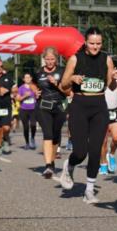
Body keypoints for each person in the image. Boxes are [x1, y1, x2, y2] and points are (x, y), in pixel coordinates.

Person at [59, 28, 117, 204]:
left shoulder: (106, 59)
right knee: (80, 151)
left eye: (98, 43)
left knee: (95, 150)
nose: (95, 47)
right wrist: (73, 79)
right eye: (92, 43)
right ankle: (69, 165)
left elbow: (112, 87)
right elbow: (63, 85)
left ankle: (89, 190)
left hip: (99, 107)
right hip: (79, 105)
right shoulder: (76, 59)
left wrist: (115, 78)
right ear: (85, 42)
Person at [36, 47, 70, 178]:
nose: (50, 62)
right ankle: (48, 166)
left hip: (60, 106)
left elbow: (67, 91)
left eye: (52, 59)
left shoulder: (63, 71)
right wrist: (35, 91)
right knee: (48, 134)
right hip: (43, 106)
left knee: (56, 135)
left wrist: (56, 83)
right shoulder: (38, 72)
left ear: (56, 59)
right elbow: (33, 84)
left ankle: (52, 159)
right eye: (47, 59)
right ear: (44, 59)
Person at [99, 75, 117, 176]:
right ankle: (103, 164)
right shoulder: (99, 79)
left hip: (114, 113)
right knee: (103, 142)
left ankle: (111, 154)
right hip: (101, 113)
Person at [0, 60, 15, 155]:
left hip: (6, 106)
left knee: (6, 128)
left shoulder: (8, 77)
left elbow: (14, 88)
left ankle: (5, 139)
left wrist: (10, 90)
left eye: (1, 66)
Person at [17, 72, 39, 150]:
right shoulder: (21, 88)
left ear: (31, 78)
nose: (27, 79)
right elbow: (18, 98)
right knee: (25, 127)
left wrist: (37, 94)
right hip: (24, 109)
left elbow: (38, 95)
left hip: (33, 109)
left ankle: (32, 138)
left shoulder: (34, 87)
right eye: (26, 78)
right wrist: (25, 96)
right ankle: (27, 143)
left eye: (29, 77)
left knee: (33, 125)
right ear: (23, 79)